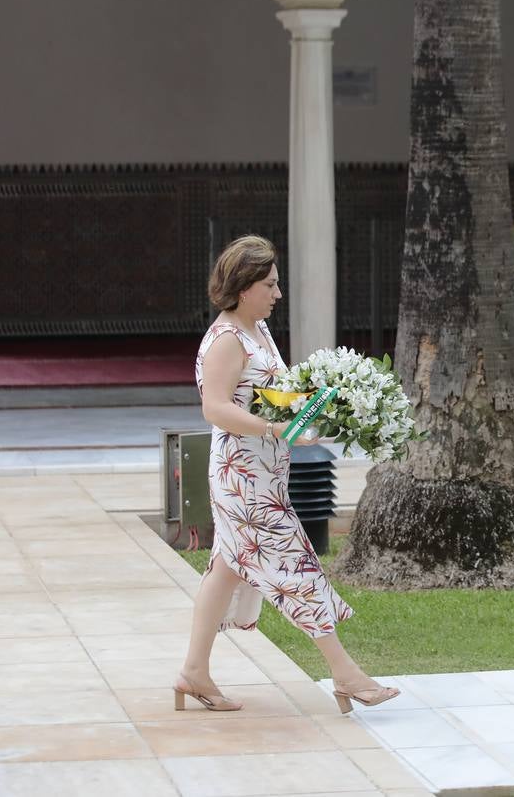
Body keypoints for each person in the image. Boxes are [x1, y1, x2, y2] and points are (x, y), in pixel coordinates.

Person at [178, 235, 398, 714]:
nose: (278, 294)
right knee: (296, 567)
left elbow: (268, 393)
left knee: (227, 568)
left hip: (265, 472)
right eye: (271, 284)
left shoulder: (259, 332)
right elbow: (214, 409)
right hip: (242, 478)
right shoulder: (226, 340)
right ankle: (345, 673)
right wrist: (278, 427)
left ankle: (193, 673)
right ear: (243, 286)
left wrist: (319, 405)